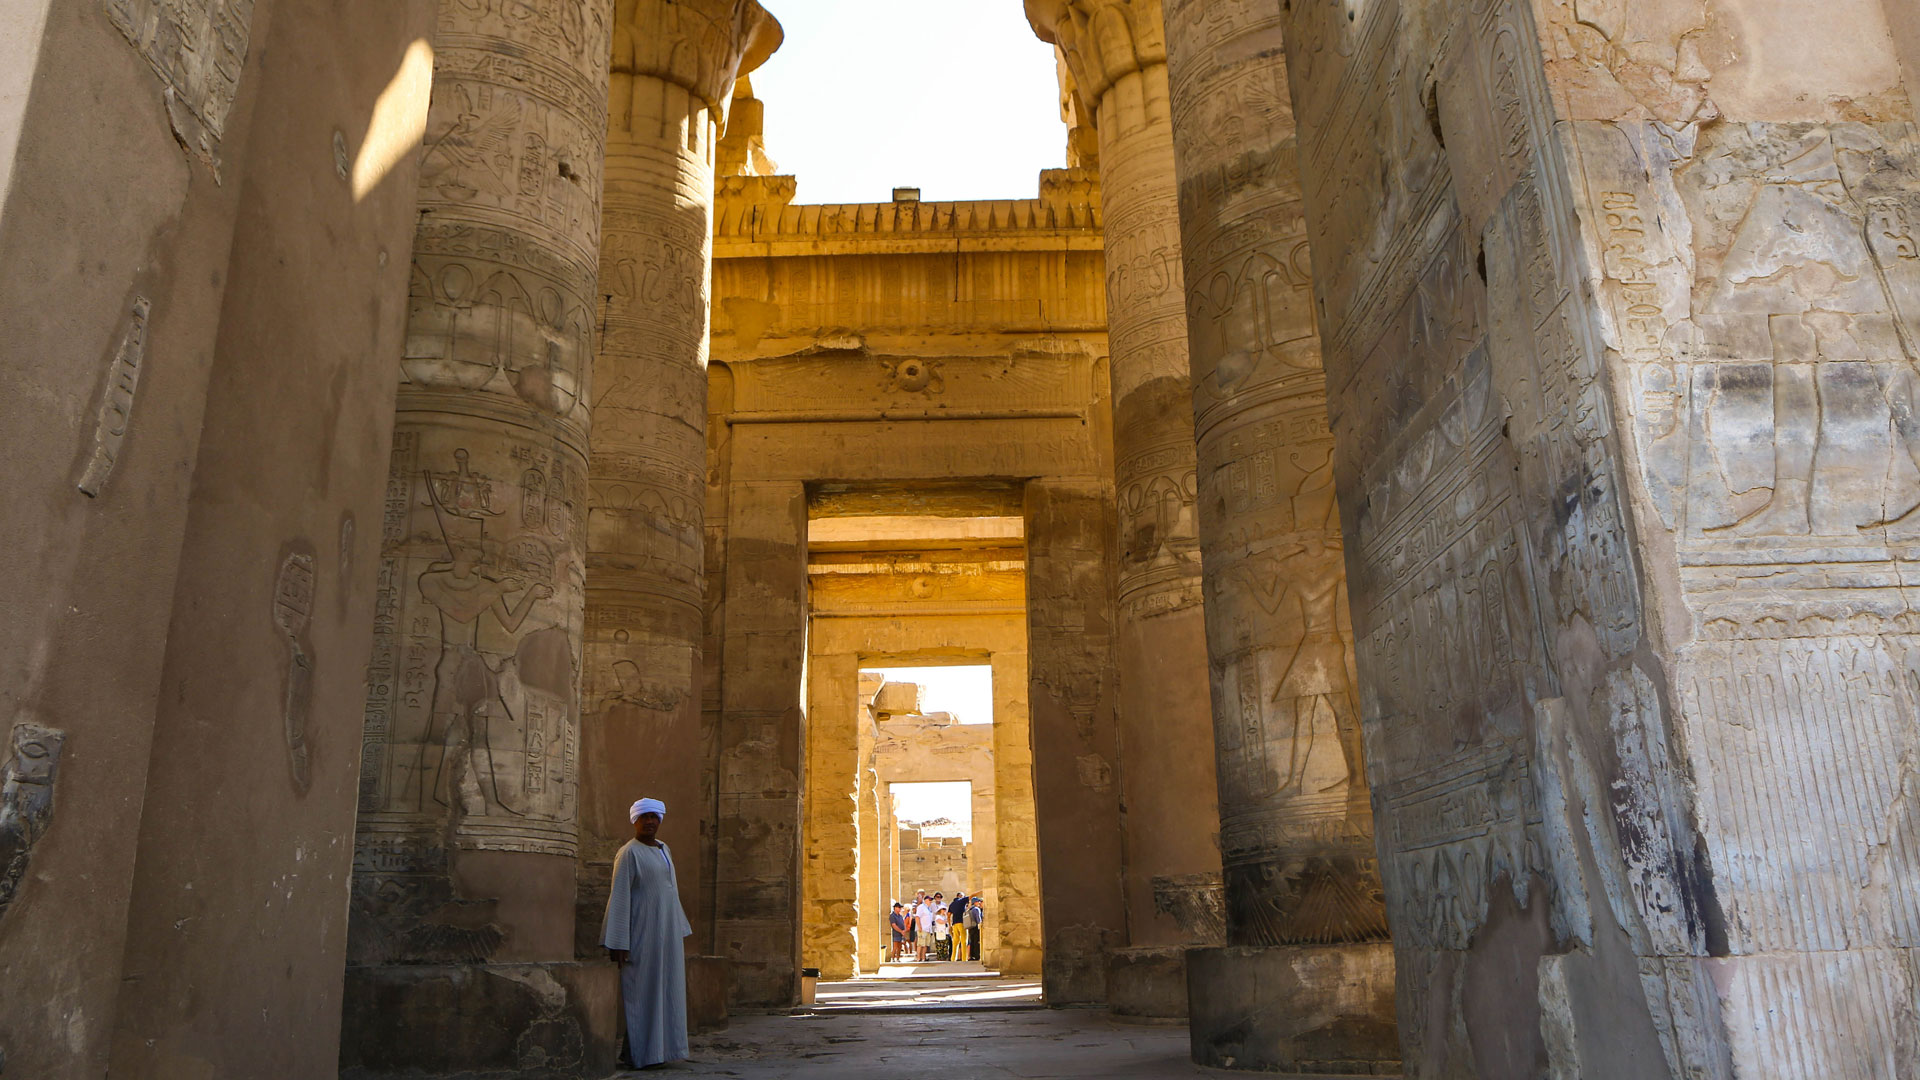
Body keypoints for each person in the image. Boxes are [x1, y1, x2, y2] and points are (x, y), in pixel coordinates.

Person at [602, 797, 694, 1070]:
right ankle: (640, 1055)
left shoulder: (665, 849)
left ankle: (659, 1051)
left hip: (665, 935)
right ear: (635, 821)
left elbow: (670, 891)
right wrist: (619, 941)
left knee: (664, 992)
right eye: (645, 817)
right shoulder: (628, 853)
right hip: (641, 935)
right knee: (641, 993)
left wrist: (677, 929)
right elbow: (619, 897)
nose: (651, 822)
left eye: (655, 816)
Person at [914, 892, 940, 961]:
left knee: (925, 944)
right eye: (929, 900)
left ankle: (923, 957)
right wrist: (919, 927)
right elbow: (917, 917)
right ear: (925, 901)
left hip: (928, 929)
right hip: (922, 928)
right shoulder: (921, 907)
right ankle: (918, 957)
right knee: (920, 944)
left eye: (931, 900)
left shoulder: (929, 909)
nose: (930, 901)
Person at [964, 897, 983, 962]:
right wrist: (980, 925)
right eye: (978, 901)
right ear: (975, 902)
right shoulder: (976, 909)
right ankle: (977, 955)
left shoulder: (970, 909)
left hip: (970, 927)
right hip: (975, 927)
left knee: (972, 941)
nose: (979, 903)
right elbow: (978, 919)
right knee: (976, 941)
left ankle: (972, 955)